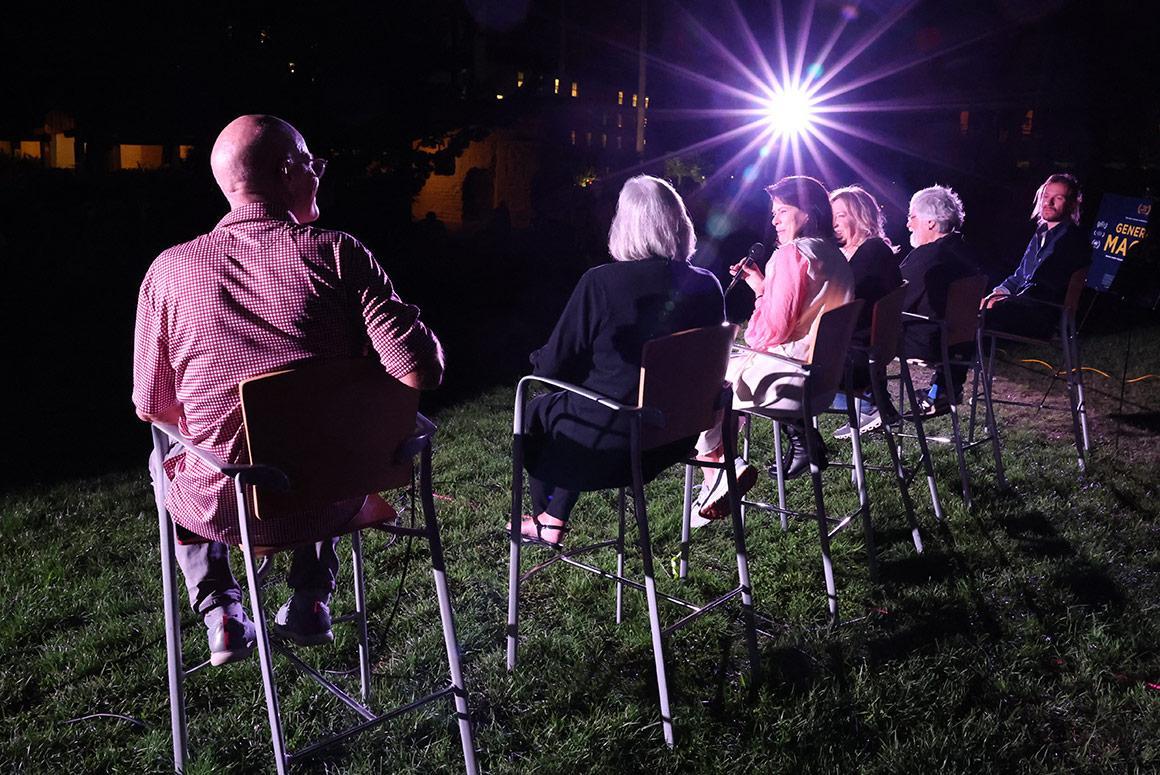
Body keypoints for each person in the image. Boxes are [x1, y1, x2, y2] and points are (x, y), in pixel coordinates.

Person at [133, 115, 444, 665]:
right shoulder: (338, 254)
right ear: (286, 173)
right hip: (335, 492)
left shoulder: (168, 271)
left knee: (169, 455)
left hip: (224, 506)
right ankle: (311, 598)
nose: (318, 174)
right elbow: (422, 372)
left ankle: (221, 609)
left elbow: (152, 406)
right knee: (319, 438)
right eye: (310, 163)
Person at [512, 175, 725, 548]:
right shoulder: (708, 284)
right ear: (679, 222)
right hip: (678, 437)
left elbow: (549, 369)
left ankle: (547, 520)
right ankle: (553, 517)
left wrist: (541, 358)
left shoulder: (602, 283)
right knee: (580, 407)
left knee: (537, 412)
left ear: (624, 224)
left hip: (615, 446)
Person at [694, 175, 855, 522]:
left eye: (783, 211)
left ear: (808, 213)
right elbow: (804, 313)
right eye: (774, 213)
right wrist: (763, 287)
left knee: (705, 377)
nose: (775, 220)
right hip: (822, 381)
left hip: (787, 380)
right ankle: (724, 466)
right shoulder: (835, 256)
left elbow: (770, 332)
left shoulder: (790, 254)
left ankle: (716, 470)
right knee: (727, 378)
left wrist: (753, 325)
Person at [899, 184, 983, 414]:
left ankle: (872, 405)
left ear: (930, 222)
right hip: (958, 345)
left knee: (861, 332)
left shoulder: (929, 255)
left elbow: (894, 298)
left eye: (912, 217)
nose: (908, 224)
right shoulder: (964, 251)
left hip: (925, 340)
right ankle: (943, 389)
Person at [829, 185, 903, 437]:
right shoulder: (870, 251)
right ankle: (871, 403)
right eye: (832, 216)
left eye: (840, 215)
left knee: (792, 371)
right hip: (870, 354)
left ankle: (870, 404)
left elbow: (842, 301)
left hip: (856, 356)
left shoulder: (870, 252)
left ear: (861, 216)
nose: (833, 222)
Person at [983, 173, 1089, 336]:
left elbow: (1043, 287)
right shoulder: (1041, 233)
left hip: (1042, 316)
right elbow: (1021, 276)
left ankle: (955, 359)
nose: (1049, 202)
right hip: (1025, 305)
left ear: (1072, 204)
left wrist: (1005, 302)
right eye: (1046, 196)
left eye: (1058, 198)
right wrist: (999, 292)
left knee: (969, 317)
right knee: (972, 304)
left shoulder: (1071, 239)